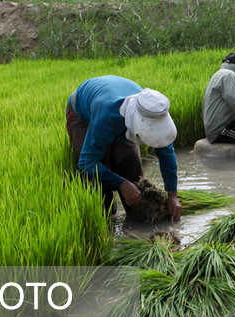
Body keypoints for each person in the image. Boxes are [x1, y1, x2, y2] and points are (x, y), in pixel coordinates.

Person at [66, 75, 181, 221]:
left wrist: (172, 195)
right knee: (100, 186)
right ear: (136, 124)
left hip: (114, 106)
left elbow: (167, 155)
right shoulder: (107, 115)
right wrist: (121, 184)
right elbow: (87, 163)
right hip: (83, 113)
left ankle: (135, 221)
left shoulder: (156, 113)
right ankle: (108, 218)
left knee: (131, 170)